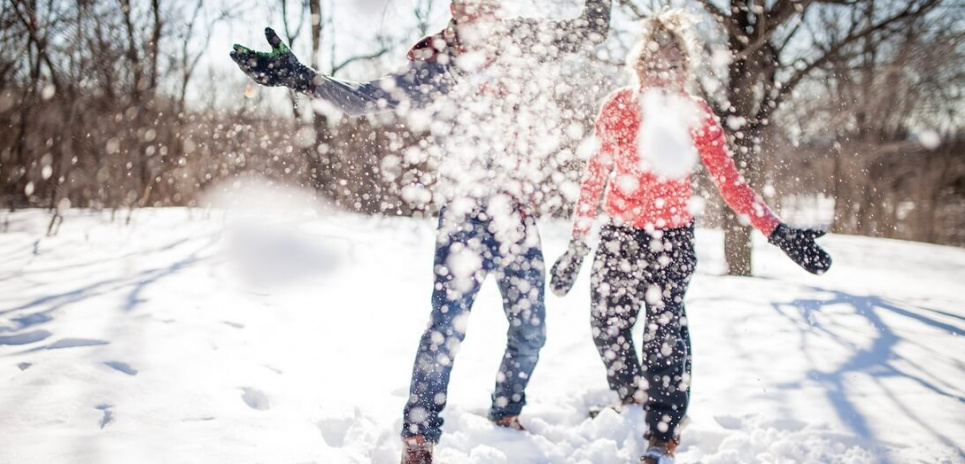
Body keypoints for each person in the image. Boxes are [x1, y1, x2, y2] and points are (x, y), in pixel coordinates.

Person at [229, 1, 612, 463]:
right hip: (464, 216)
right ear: (457, 10)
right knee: (445, 328)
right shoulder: (437, 67)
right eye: (470, 6)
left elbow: (591, 30)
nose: (482, 14)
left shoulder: (522, 42)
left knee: (532, 331)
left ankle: (507, 409)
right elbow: (362, 100)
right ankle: (419, 434)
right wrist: (301, 77)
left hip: (518, 217)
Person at [548, 10, 832, 464]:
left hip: (672, 239)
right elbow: (594, 176)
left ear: (686, 70)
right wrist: (578, 243)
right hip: (620, 235)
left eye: (673, 65)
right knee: (607, 327)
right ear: (638, 66)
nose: (663, 73)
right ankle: (634, 398)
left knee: (665, 332)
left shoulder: (696, 114)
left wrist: (776, 230)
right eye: (654, 64)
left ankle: (663, 433)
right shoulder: (617, 107)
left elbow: (730, 184)